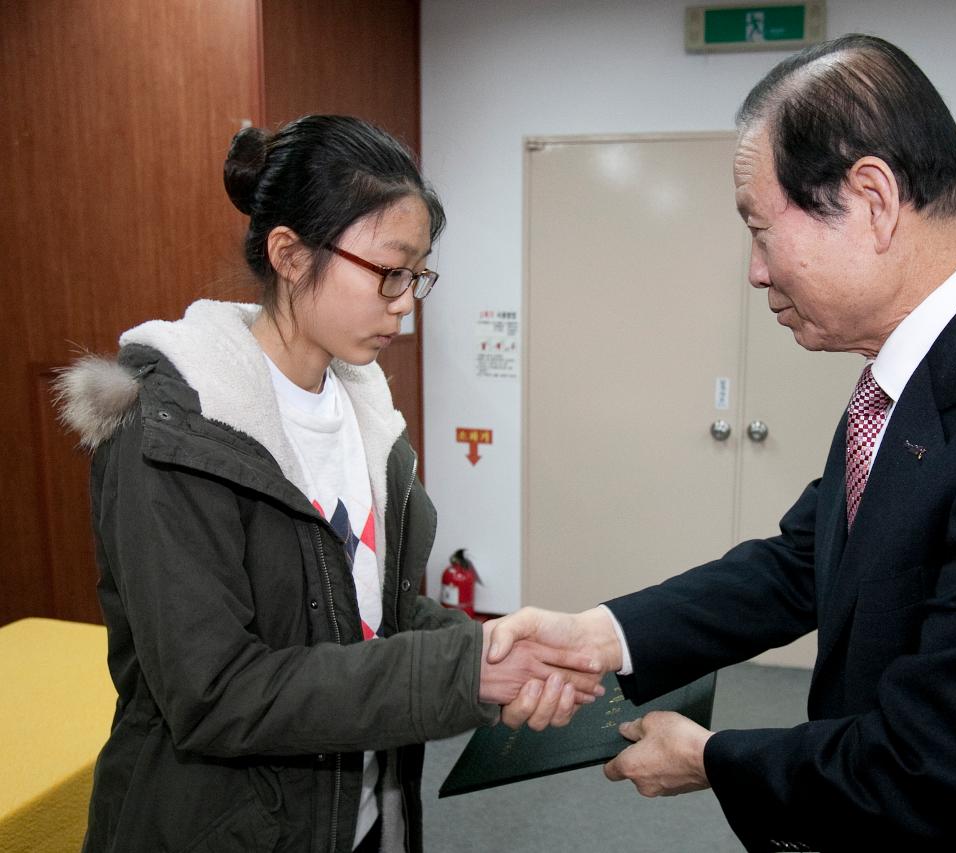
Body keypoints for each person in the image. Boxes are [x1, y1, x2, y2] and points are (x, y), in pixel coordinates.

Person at [488, 34, 956, 851]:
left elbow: (944, 762)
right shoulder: (915, 374)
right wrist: (603, 633)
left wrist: (713, 759)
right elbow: (809, 559)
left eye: (762, 231)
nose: (756, 272)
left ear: (872, 198)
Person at [53, 115, 602, 853]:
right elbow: (218, 693)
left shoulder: (365, 414)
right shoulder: (174, 432)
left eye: (417, 274)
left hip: (363, 812)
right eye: (388, 270)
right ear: (289, 253)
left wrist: (492, 648)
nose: (405, 301)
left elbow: (374, 618)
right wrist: (461, 671)